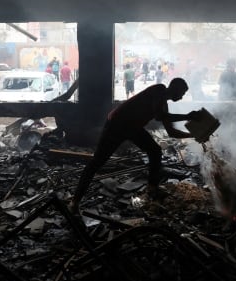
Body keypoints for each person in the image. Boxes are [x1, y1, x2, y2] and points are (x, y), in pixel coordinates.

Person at [68, 78, 202, 213]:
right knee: (97, 162)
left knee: (155, 151)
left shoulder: (163, 105)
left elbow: (172, 132)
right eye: (182, 93)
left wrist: (194, 135)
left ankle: (152, 189)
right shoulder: (159, 89)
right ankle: (75, 201)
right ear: (175, 88)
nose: (182, 97)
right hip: (117, 124)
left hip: (132, 127)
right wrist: (187, 116)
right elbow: (160, 116)